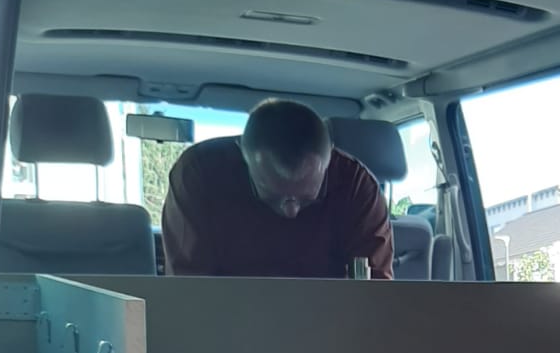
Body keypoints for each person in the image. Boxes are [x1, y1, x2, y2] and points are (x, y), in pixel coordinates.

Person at [161, 99, 394, 278]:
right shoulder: (200, 174)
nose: (291, 211)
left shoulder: (357, 188)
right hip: (224, 316)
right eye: (273, 196)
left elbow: (373, 294)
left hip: (330, 318)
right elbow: (189, 284)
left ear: (329, 162)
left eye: (306, 199)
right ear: (244, 156)